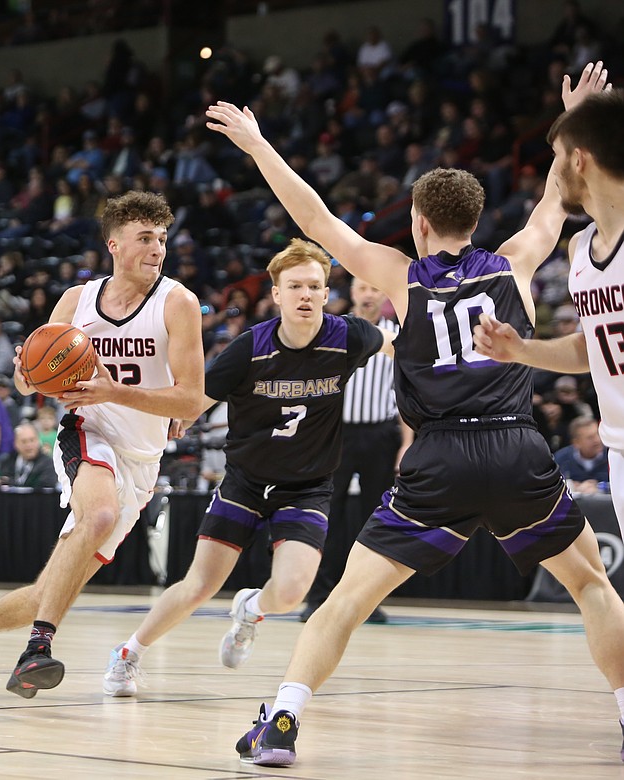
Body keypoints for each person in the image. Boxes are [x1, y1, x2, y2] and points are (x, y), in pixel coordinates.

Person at [203, 61, 624, 768]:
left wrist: (257, 145)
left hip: (438, 458)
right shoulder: (513, 262)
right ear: (475, 221)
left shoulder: (398, 274)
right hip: (516, 451)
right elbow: (556, 197)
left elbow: (313, 217)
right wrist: (571, 123)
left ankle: (281, 721)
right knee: (591, 587)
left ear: (419, 223)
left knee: (342, 604)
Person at [0, 190, 206, 700]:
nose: (157, 249)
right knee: (97, 517)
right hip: (88, 432)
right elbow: (27, 384)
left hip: (142, 462)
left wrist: (123, 393)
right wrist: (24, 374)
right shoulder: (77, 301)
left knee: (49, 590)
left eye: (162, 239)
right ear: (114, 245)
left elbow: (191, 400)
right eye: (145, 238)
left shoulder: (178, 302)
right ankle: (37, 650)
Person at [101, 239, 392, 697]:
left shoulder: (349, 336)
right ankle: (127, 654)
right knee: (198, 585)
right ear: (276, 293)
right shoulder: (249, 349)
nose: (305, 295)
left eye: (314, 286)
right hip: (246, 482)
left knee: (293, 591)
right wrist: (171, 413)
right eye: (294, 286)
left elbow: (392, 342)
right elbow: (194, 398)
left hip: (307, 486)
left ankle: (252, 609)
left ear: (326, 291)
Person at [475, 85, 624, 538]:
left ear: (579, 160)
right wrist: (521, 350)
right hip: (618, 446)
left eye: (557, 157)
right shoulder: (581, 248)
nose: (552, 171)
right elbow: (590, 348)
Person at [301, 276, 410, 623]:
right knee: (324, 516)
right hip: (336, 434)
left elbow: (407, 395)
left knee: (374, 520)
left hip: (380, 435)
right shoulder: (334, 330)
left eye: (375, 288)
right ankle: (318, 596)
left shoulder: (399, 333)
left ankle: (366, 600)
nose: (368, 294)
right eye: (362, 288)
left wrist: (407, 443)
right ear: (352, 293)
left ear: (384, 294)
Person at [0, 421, 58, 489]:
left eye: (32, 440)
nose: (29, 445)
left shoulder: (48, 463)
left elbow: (45, 487)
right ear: (15, 444)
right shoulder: (6, 461)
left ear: (38, 441)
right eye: (24, 441)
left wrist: (12, 483)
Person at [553, 416, 610, 494]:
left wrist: (600, 487)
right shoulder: (561, 458)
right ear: (576, 443)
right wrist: (572, 487)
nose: (597, 440)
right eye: (590, 438)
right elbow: (553, 487)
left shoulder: (613, 456)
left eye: (598, 434)